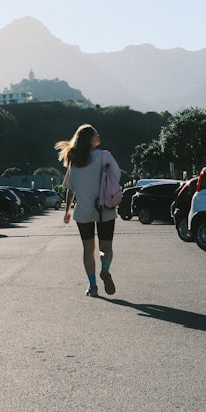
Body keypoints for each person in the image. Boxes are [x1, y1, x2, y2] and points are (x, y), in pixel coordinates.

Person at [55, 123, 121, 297]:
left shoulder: (75, 160)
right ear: (92, 138)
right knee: (105, 247)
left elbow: (70, 189)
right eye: (96, 133)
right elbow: (117, 176)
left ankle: (92, 286)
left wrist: (67, 212)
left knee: (88, 250)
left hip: (83, 211)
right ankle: (105, 269)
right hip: (105, 208)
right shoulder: (105, 156)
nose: (99, 135)